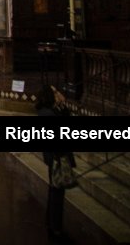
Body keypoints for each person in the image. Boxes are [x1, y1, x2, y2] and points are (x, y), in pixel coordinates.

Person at [36, 84, 75, 242]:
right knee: (57, 192)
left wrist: (62, 104)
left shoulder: (50, 111)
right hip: (57, 157)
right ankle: (56, 228)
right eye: (55, 92)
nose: (58, 93)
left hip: (55, 156)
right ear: (49, 96)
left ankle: (51, 222)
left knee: (55, 190)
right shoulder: (48, 114)